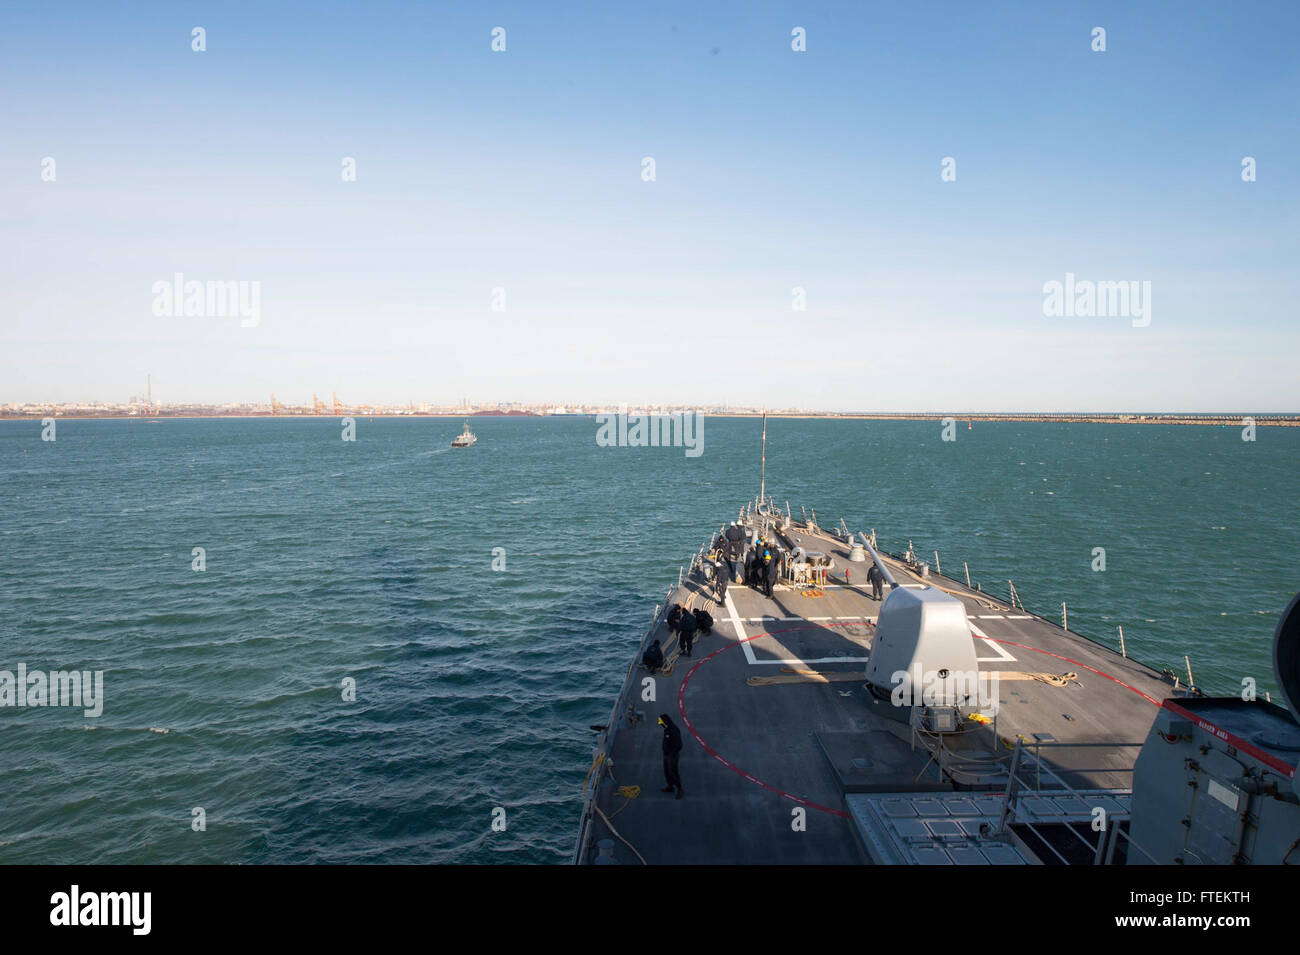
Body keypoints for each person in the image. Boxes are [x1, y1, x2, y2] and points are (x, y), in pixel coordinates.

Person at [659, 713, 683, 799]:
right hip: (666, 755)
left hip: (672, 756)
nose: (660, 724)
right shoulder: (667, 729)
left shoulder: (674, 730)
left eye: (660, 722)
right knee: (667, 772)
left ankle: (680, 789)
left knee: (673, 772)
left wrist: (672, 754)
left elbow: (679, 744)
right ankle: (670, 786)